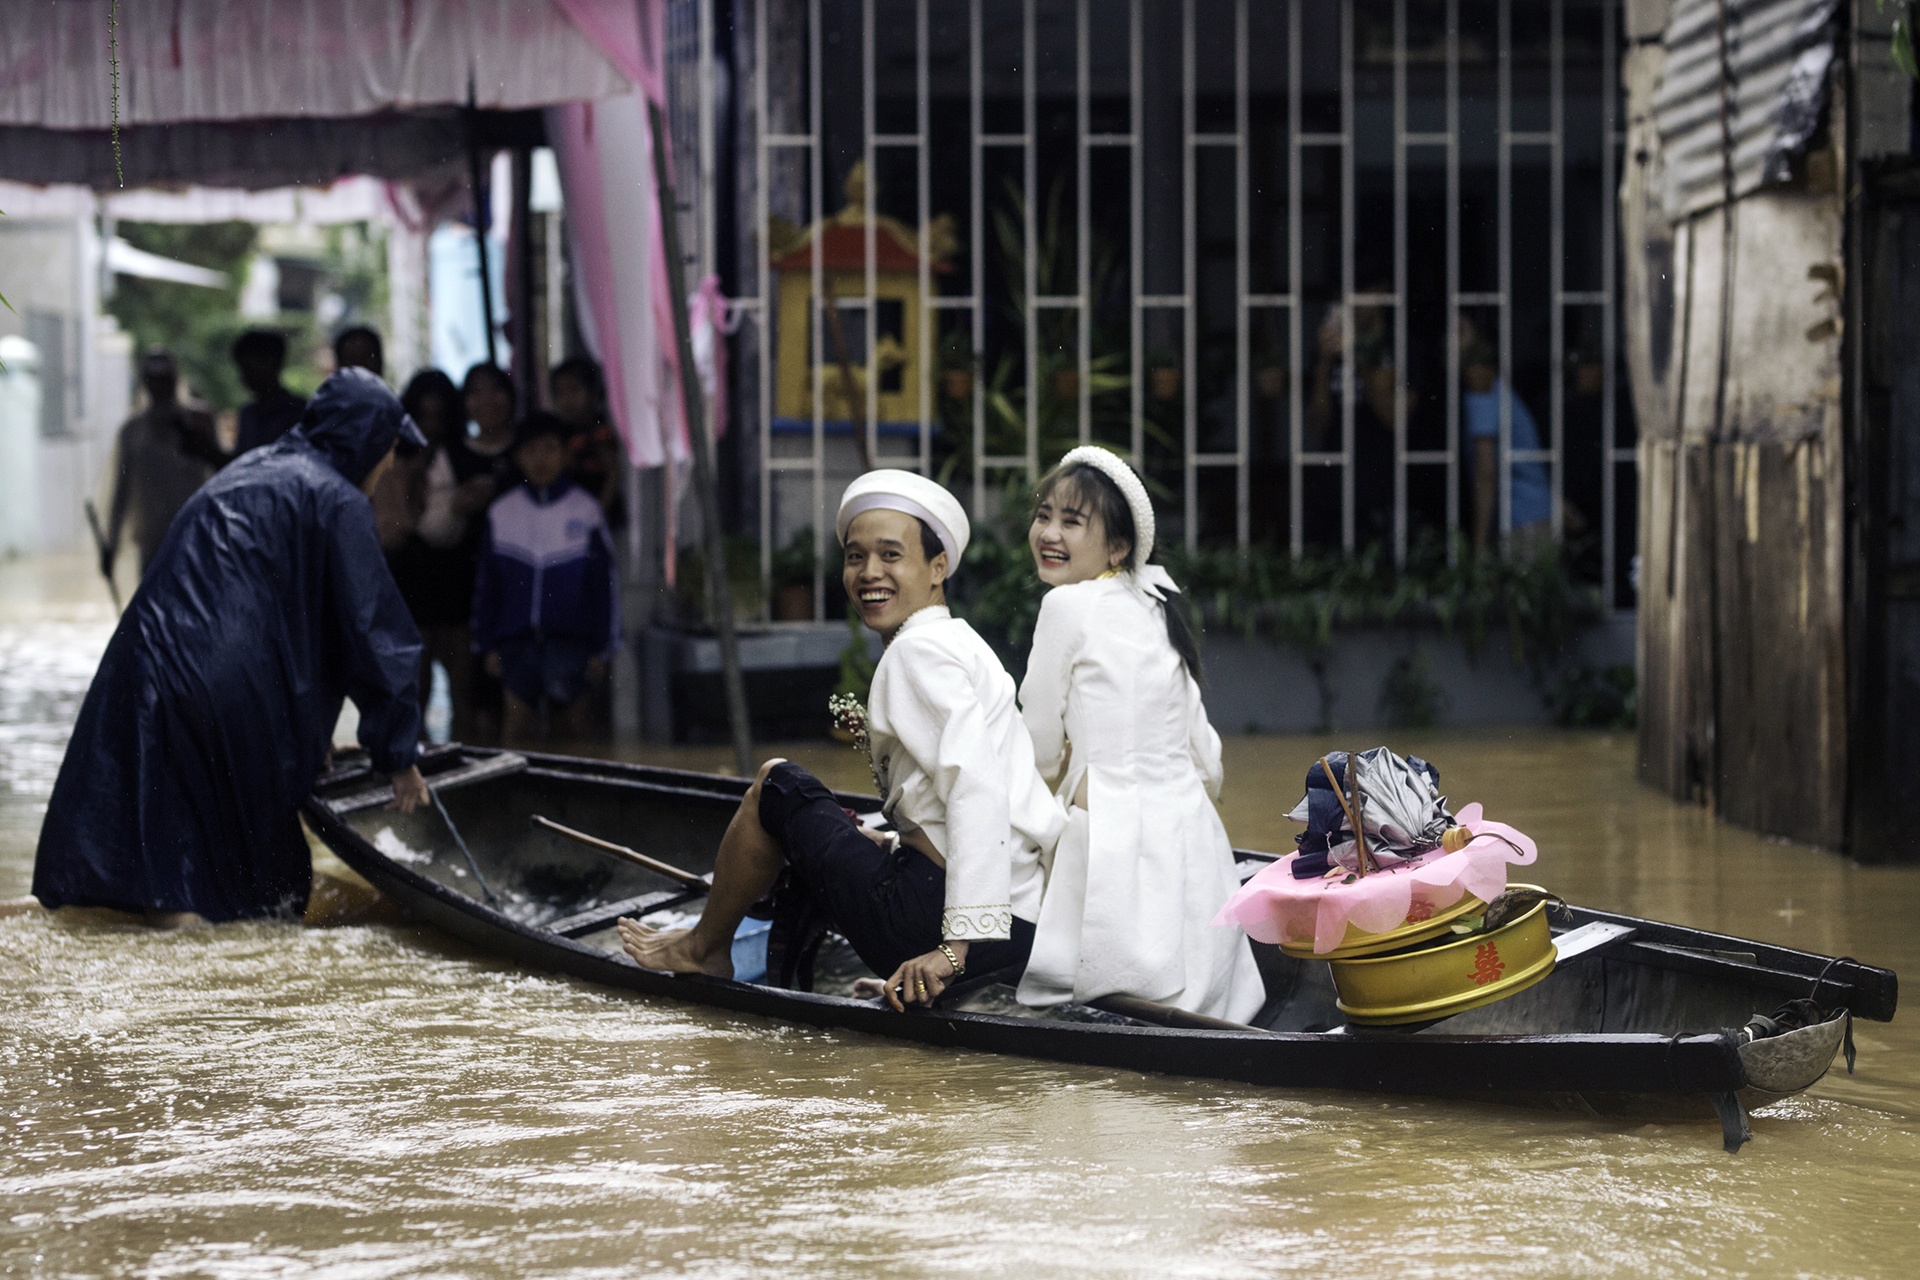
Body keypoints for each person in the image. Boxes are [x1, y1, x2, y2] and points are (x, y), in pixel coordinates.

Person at [618, 470, 1065, 1010]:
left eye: (891, 555)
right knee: (842, 828)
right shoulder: (962, 643)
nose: (869, 572)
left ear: (937, 568)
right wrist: (902, 846)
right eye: (856, 557)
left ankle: (704, 947)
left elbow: (978, 788)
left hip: (938, 921)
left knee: (777, 785)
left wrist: (951, 951)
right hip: (1020, 928)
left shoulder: (916, 653)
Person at [32, 369, 430, 925]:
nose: (388, 466)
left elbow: (278, 615)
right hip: (226, 693)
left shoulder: (249, 469)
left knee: (145, 867)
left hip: (141, 669)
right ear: (367, 442)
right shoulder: (336, 500)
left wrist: (312, 737)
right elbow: (372, 633)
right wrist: (400, 757)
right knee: (250, 896)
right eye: (389, 450)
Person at [1016, 446, 1266, 1022]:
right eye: (1044, 515)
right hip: (1193, 838)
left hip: (1109, 837)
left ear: (1118, 546)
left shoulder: (1065, 607)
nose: (1049, 533)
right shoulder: (1158, 600)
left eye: (1071, 522)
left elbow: (1035, 744)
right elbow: (1206, 752)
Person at [470, 412, 619, 743]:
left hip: (571, 642)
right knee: (517, 732)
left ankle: (578, 798)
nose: (541, 459)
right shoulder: (502, 512)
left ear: (566, 455)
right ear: (518, 457)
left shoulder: (586, 510)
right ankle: (521, 798)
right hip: (516, 643)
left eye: (550, 449)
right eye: (531, 450)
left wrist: (602, 648)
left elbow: (604, 584)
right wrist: (486, 644)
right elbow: (487, 586)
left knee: (576, 734)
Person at [387, 369, 479, 740]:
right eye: (424, 417)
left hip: (457, 582)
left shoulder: (464, 455)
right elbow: (397, 525)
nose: (431, 426)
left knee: (464, 694)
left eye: (438, 417)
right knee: (416, 690)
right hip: (413, 582)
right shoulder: (395, 461)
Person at [102, 349, 228, 581]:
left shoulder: (200, 419)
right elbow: (122, 491)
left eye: (165, 379)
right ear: (144, 382)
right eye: (154, 379)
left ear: (175, 379)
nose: (160, 386)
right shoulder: (133, 431)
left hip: (197, 535)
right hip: (152, 541)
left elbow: (225, 478)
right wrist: (112, 546)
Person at [1459, 314, 1553, 559]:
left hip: (1522, 522)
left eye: (1460, 332)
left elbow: (1486, 471)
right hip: (1531, 515)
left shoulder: (1482, 389)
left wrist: (1478, 547)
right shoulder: (1493, 387)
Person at [549, 356, 622, 520]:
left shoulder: (597, 431)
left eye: (573, 390)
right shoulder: (562, 433)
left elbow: (613, 472)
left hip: (599, 511)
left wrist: (599, 512)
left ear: (591, 392)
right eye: (559, 393)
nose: (566, 400)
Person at [231, 329, 306, 454]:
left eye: (249, 368)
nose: (244, 376)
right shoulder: (248, 414)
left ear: (272, 364)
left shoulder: (298, 412)